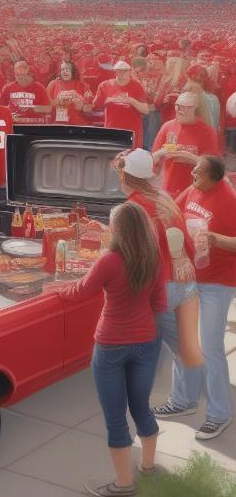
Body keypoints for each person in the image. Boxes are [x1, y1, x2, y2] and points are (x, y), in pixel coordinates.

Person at [56, 202, 166, 497]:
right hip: (146, 344)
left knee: (115, 417)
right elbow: (159, 305)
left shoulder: (109, 260)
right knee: (141, 407)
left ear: (117, 229)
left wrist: (58, 290)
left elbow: (81, 291)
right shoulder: (153, 258)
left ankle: (123, 485)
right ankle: (148, 468)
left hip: (110, 346)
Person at [114, 149, 204, 418]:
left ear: (125, 175)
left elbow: (130, 255)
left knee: (180, 349)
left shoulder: (132, 208)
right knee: (168, 344)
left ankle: (187, 401)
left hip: (163, 287)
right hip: (183, 282)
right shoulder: (162, 197)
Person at [158, 155, 236, 440]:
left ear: (214, 178)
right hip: (191, 277)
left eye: (199, 172)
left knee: (210, 348)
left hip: (217, 283)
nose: (192, 173)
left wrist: (215, 239)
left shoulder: (229, 200)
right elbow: (172, 213)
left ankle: (218, 416)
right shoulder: (194, 190)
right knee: (184, 341)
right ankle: (183, 401)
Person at [152, 92, 219, 199]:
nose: (180, 110)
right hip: (168, 190)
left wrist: (191, 158)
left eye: (185, 107)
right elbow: (152, 160)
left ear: (194, 108)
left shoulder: (207, 132)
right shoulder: (167, 126)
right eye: (177, 106)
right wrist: (161, 152)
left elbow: (212, 167)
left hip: (195, 191)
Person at [89, 60, 149, 148]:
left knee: (132, 158)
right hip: (113, 130)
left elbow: (146, 110)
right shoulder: (104, 85)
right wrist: (106, 101)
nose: (122, 73)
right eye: (119, 70)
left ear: (130, 71)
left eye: (125, 70)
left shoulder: (137, 86)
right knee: (112, 157)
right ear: (115, 72)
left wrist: (131, 100)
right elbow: (95, 106)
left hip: (132, 131)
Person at [47, 61, 91, 126]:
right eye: (63, 69)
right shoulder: (53, 84)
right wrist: (56, 103)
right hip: (58, 124)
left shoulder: (83, 86)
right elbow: (46, 106)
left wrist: (81, 105)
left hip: (78, 125)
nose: (65, 72)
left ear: (73, 71)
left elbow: (89, 111)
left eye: (68, 69)